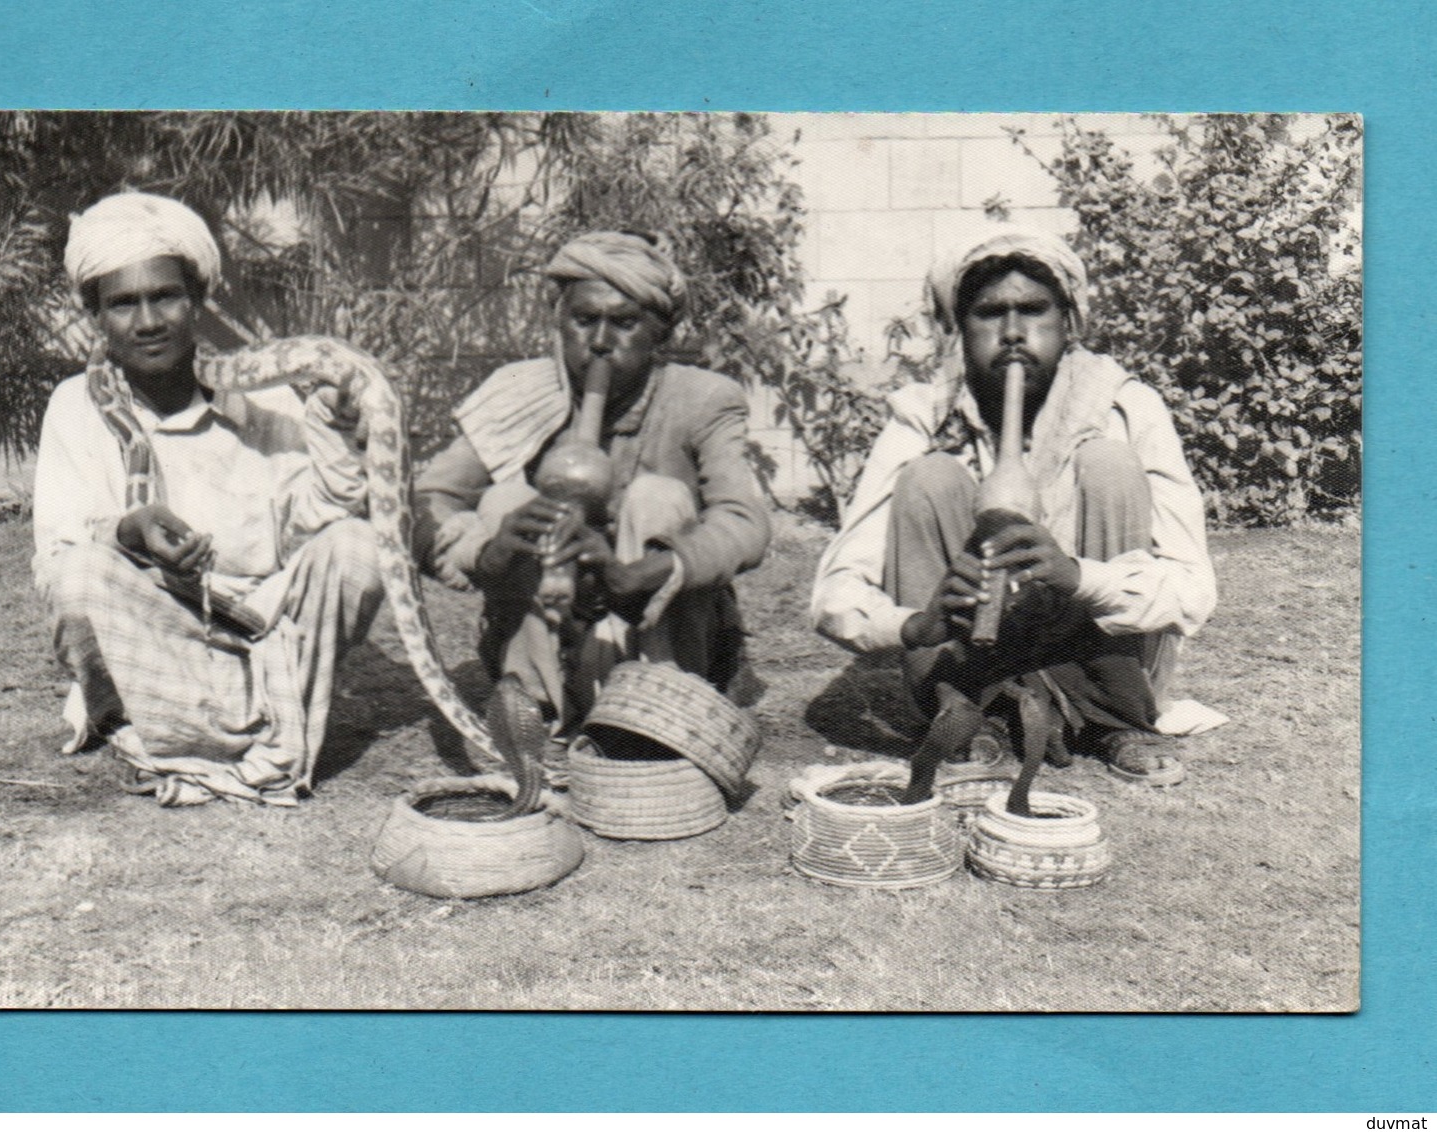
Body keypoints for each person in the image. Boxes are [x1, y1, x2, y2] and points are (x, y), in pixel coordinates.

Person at [810, 224, 1217, 785]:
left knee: (1109, 464)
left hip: (1103, 658)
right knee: (928, 478)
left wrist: (1078, 577)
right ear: (957, 326)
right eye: (988, 313)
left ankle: (1114, 719)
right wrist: (917, 625)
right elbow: (834, 595)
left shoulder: (1127, 406)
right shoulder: (922, 415)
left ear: (1068, 321)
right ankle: (974, 710)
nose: (1013, 332)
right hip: (968, 658)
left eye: (1033, 309)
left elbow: (1194, 591)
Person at [32, 191, 385, 806]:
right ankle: (258, 735)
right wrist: (129, 532)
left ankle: (194, 735)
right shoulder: (75, 406)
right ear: (96, 317)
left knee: (357, 546)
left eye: (165, 296)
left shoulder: (268, 398)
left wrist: (341, 437)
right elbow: (58, 555)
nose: (148, 322)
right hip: (154, 626)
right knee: (79, 573)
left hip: (261, 631)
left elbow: (315, 525)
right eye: (122, 304)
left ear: (196, 301)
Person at [416, 231, 770, 761]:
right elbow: (426, 504)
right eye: (584, 321)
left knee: (657, 497)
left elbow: (746, 523)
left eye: (624, 323)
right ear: (560, 326)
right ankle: (539, 714)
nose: (601, 342)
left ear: (659, 337)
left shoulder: (702, 400)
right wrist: (482, 553)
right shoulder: (519, 394)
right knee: (505, 504)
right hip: (556, 633)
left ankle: (652, 715)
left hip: (656, 635)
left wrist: (649, 570)